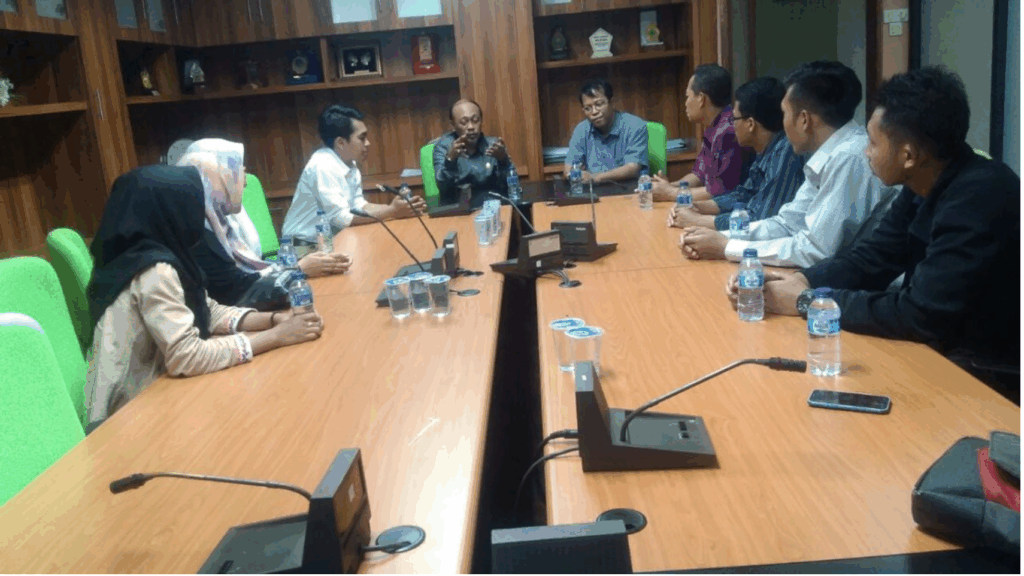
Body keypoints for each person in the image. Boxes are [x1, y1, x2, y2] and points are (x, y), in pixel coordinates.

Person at [727, 67, 1020, 402]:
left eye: (873, 142)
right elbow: (872, 258)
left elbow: (920, 314)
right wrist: (800, 282)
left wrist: (807, 301)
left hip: (986, 373)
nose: (865, 151)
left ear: (908, 156)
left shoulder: (979, 197)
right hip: (942, 349)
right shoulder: (924, 182)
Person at [85, 165, 324, 425]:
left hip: (157, 393)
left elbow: (209, 311)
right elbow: (186, 356)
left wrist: (274, 320)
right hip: (128, 416)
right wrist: (276, 337)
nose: (199, 215)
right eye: (191, 205)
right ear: (170, 211)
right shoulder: (154, 271)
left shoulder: (154, 255)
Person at [680, 60, 898, 268]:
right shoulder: (829, 155)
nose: (781, 124)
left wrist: (727, 247)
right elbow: (787, 224)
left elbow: (813, 251)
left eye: (784, 113)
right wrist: (721, 237)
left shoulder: (849, 158)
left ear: (804, 119)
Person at [178, 139, 352, 307]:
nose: (245, 182)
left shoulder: (225, 220)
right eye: (238, 173)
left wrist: (307, 264)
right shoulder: (198, 235)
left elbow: (253, 273)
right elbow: (237, 295)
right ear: (212, 180)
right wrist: (299, 270)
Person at [668, 77, 805, 231]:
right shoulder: (764, 151)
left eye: (734, 118)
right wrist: (698, 207)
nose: (731, 125)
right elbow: (743, 196)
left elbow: (760, 218)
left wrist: (700, 221)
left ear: (750, 124)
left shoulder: (785, 154)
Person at [283, 105, 426, 243]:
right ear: (341, 142)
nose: (367, 143)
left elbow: (359, 206)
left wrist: (400, 209)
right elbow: (341, 219)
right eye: (362, 138)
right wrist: (392, 211)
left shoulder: (349, 164)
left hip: (329, 239)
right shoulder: (322, 165)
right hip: (302, 246)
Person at [652, 64, 753, 202]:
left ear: (701, 99)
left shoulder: (728, 132)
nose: (685, 103)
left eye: (688, 96)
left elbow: (719, 193)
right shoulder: (715, 127)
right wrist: (667, 187)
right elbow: (698, 175)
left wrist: (671, 193)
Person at [563, 78, 648, 184]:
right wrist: (575, 174)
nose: (594, 112)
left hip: (628, 189)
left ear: (611, 103)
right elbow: (568, 169)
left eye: (599, 104)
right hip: (593, 190)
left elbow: (633, 168)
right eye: (588, 108)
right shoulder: (581, 130)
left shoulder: (635, 126)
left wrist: (595, 178)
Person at [432, 99, 512, 208]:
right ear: (453, 125)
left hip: (490, 207)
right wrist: (450, 160)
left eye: (475, 120)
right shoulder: (444, 147)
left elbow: (509, 186)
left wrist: (504, 162)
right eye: (464, 122)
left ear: (481, 121)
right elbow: (443, 189)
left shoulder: (494, 146)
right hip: (458, 209)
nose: (471, 127)